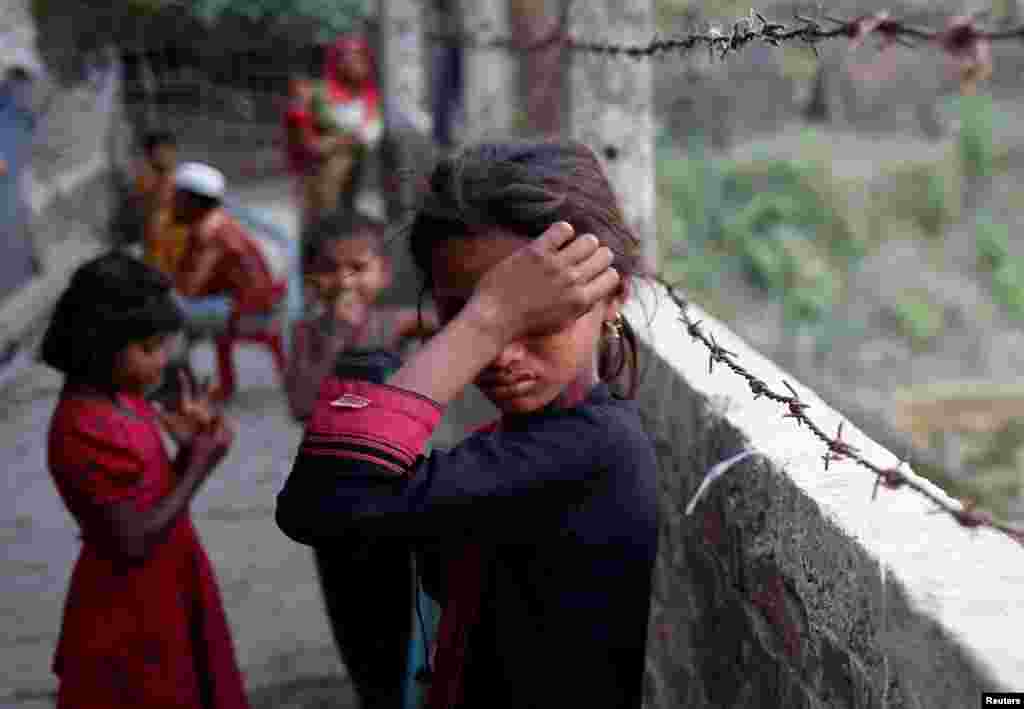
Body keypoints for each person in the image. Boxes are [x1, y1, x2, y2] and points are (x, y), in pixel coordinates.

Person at [276, 140, 658, 708]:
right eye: (464, 314)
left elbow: (322, 500)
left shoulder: (593, 448)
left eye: (537, 317)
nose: (501, 351)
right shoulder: (516, 442)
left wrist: (483, 321)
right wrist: (487, 315)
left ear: (614, 296)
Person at [41, 252, 249, 708]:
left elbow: (147, 496)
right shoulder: (82, 425)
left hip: (169, 580)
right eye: (149, 349)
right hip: (130, 605)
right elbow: (131, 540)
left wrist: (185, 453)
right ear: (100, 345)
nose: (162, 362)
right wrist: (198, 465)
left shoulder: (124, 400)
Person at [284, 211, 437, 708]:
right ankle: (370, 690)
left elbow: (460, 329)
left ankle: (400, 689)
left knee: (398, 604)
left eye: (358, 267)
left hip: (395, 489)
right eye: (331, 269)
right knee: (351, 609)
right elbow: (302, 401)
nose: (345, 280)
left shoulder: (395, 324)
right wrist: (335, 334)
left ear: (383, 274)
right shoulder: (309, 331)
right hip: (333, 495)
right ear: (311, 277)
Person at [169, 161, 288, 399]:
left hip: (247, 311)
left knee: (171, 317)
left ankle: (178, 386)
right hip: (244, 304)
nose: (172, 205)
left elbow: (190, 288)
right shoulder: (215, 225)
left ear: (193, 201)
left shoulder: (212, 236)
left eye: (177, 198)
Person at [306, 33, 383, 226]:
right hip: (325, 173)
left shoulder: (369, 96)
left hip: (357, 171)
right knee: (325, 218)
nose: (357, 63)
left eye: (360, 57)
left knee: (348, 217)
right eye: (349, 57)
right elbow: (310, 141)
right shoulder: (320, 94)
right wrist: (344, 139)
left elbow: (371, 131)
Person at [134, 131, 189, 276]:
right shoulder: (145, 182)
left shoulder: (185, 180)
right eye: (158, 153)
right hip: (157, 255)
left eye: (168, 151)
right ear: (149, 156)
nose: (164, 156)